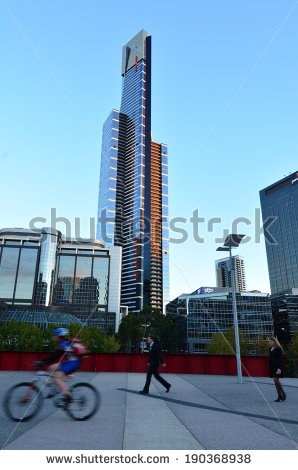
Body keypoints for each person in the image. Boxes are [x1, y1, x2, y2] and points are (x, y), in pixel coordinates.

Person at [36, 328, 81, 407]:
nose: (54, 337)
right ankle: (55, 389)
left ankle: (68, 398)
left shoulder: (63, 344)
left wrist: (42, 362)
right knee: (51, 368)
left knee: (57, 378)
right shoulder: (64, 343)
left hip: (74, 363)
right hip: (70, 362)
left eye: (55, 335)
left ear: (59, 336)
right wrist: (44, 362)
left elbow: (54, 356)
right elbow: (54, 356)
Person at [269, 336, 286, 402]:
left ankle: (283, 393)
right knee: (275, 382)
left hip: (278, 367)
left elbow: (280, 359)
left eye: (271, 341)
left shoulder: (278, 349)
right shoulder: (270, 348)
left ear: (275, 342)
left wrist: (279, 368)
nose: (270, 342)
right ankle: (279, 396)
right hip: (272, 367)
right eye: (269, 341)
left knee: (276, 380)